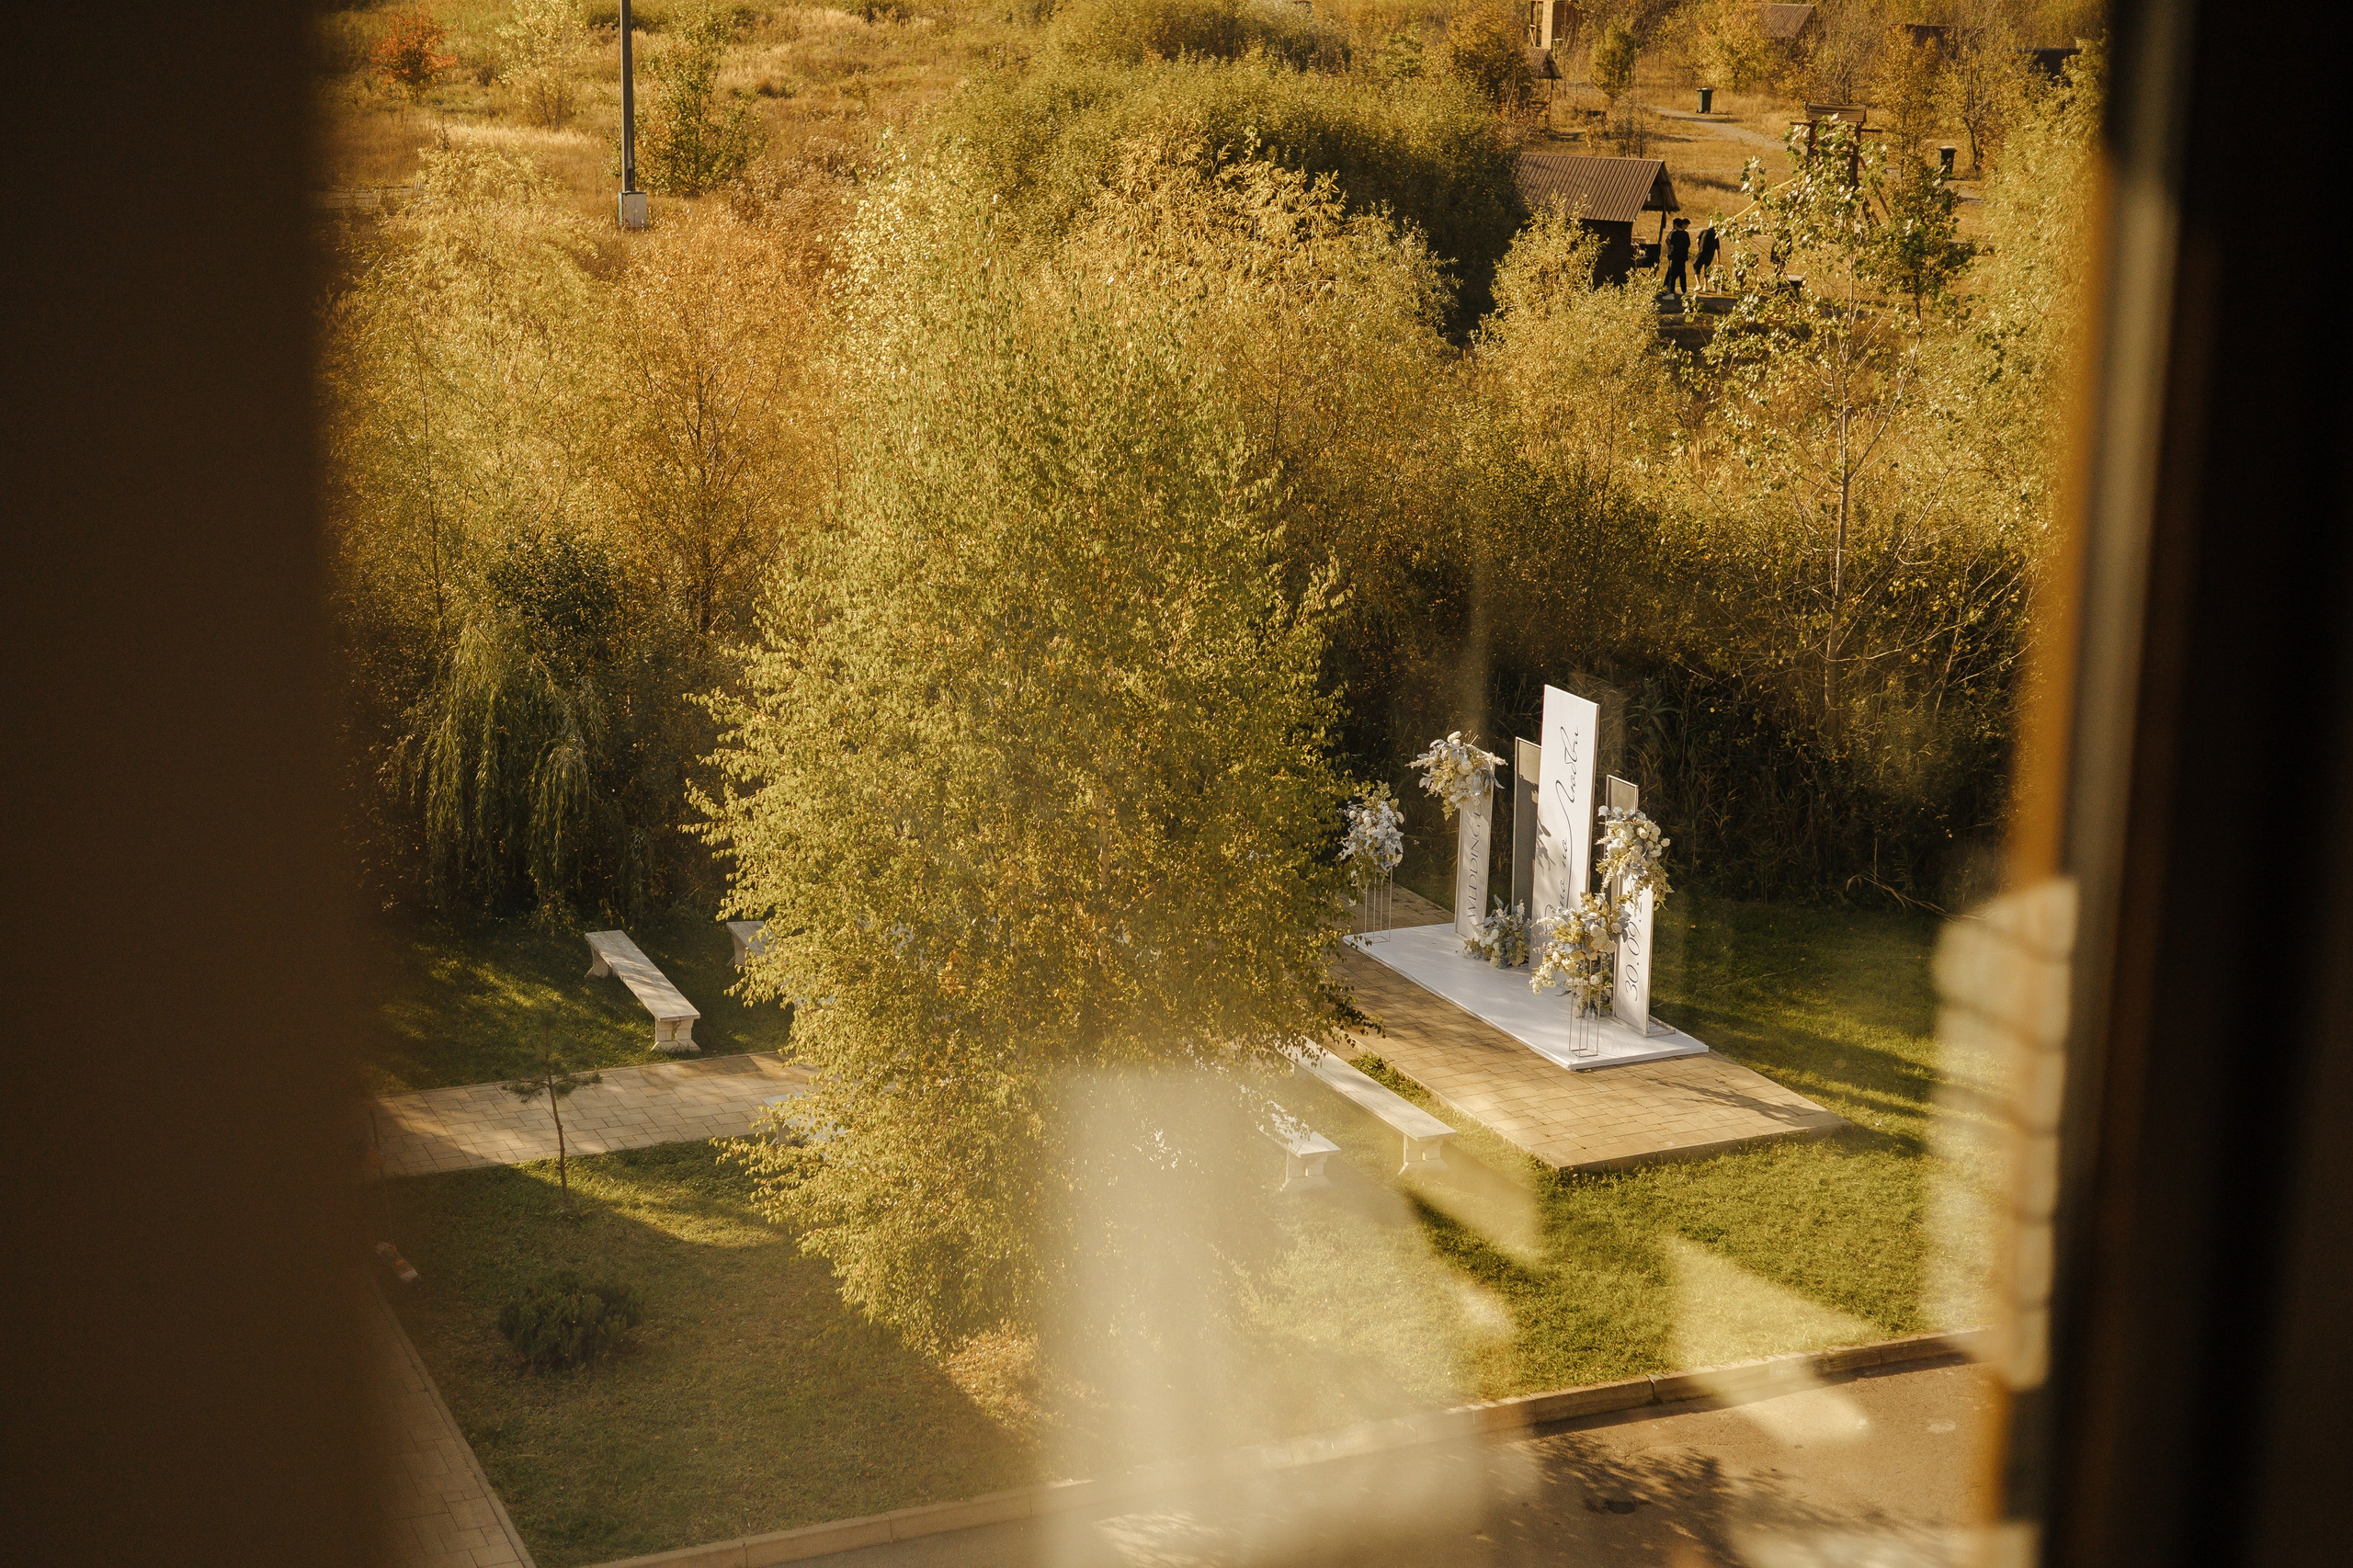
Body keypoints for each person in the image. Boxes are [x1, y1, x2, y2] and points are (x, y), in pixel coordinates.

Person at [1663, 217, 1691, 295]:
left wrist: (1672, 247)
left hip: (1675, 256)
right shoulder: (1686, 234)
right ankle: (1684, 292)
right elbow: (1688, 244)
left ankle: (1670, 292)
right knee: (1682, 274)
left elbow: (1671, 244)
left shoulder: (1674, 233)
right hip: (1683, 257)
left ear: (1675, 225)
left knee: (1672, 274)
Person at [1694, 219, 1720, 289]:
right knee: (1707, 269)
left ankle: (1698, 284)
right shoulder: (1715, 235)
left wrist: (1699, 248)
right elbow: (1718, 249)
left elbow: (1697, 241)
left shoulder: (1703, 231)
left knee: (1696, 266)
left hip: (1702, 252)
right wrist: (1718, 260)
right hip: (1710, 254)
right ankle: (1706, 286)